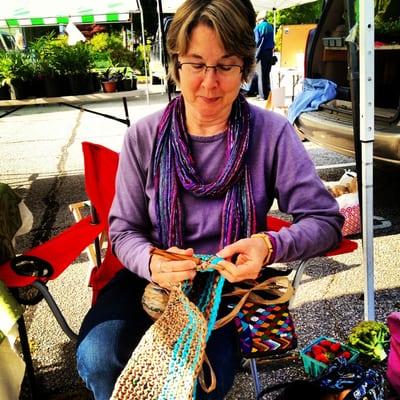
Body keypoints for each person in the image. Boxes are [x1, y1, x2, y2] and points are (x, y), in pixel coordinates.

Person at [76, 0, 344, 399]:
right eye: (196, 64)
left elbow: (325, 220)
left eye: (225, 65)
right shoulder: (144, 136)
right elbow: (124, 229)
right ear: (175, 65)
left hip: (226, 288)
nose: (209, 82)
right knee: (100, 357)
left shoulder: (271, 134)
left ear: (245, 68)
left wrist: (270, 244)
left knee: (198, 381)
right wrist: (151, 261)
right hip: (150, 278)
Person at [254, 11, 275, 100]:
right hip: (269, 52)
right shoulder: (270, 26)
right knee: (267, 73)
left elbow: (257, 41)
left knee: (261, 74)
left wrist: (256, 55)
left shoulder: (258, 27)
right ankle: (268, 92)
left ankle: (262, 95)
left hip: (262, 52)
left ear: (258, 20)